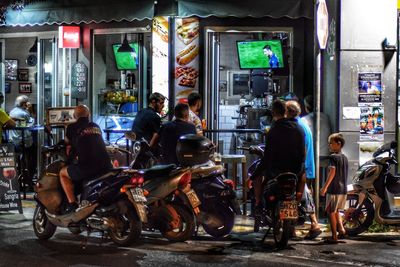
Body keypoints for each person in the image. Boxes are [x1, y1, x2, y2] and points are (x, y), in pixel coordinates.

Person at [252, 99, 305, 212]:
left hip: (276, 172)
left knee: (256, 177)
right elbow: (302, 154)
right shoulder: (299, 129)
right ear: (285, 111)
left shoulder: (274, 130)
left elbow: (268, 157)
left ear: (273, 113)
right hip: (295, 171)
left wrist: (253, 176)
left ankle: (259, 204)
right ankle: (299, 204)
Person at [59, 105, 112, 213]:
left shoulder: (71, 127)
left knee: (62, 173)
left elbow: (67, 143)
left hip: (87, 168)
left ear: (74, 115)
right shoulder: (96, 126)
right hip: (106, 166)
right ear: (89, 115)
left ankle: (72, 204)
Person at [286, 100, 321, 239]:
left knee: (298, 196)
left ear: (289, 112)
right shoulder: (302, 124)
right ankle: (308, 225)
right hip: (305, 167)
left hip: (301, 168)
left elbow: (302, 150)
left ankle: (311, 224)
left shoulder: (297, 127)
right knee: (302, 196)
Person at [320, 133, 348, 244]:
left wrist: (324, 188)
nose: (329, 145)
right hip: (343, 190)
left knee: (331, 211)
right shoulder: (345, 158)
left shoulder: (333, 157)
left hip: (334, 189)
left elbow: (332, 172)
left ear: (338, 144)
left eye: (331, 143)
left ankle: (334, 236)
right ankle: (341, 230)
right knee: (336, 211)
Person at [9, 95, 36, 189]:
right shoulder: (24, 113)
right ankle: (29, 178)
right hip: (23, 143)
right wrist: (30, 110)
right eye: (27, 102)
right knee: (34, 157)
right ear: (24, 103)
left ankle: (21, 175)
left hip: (13, 142)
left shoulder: (12, 111)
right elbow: (31, 124)